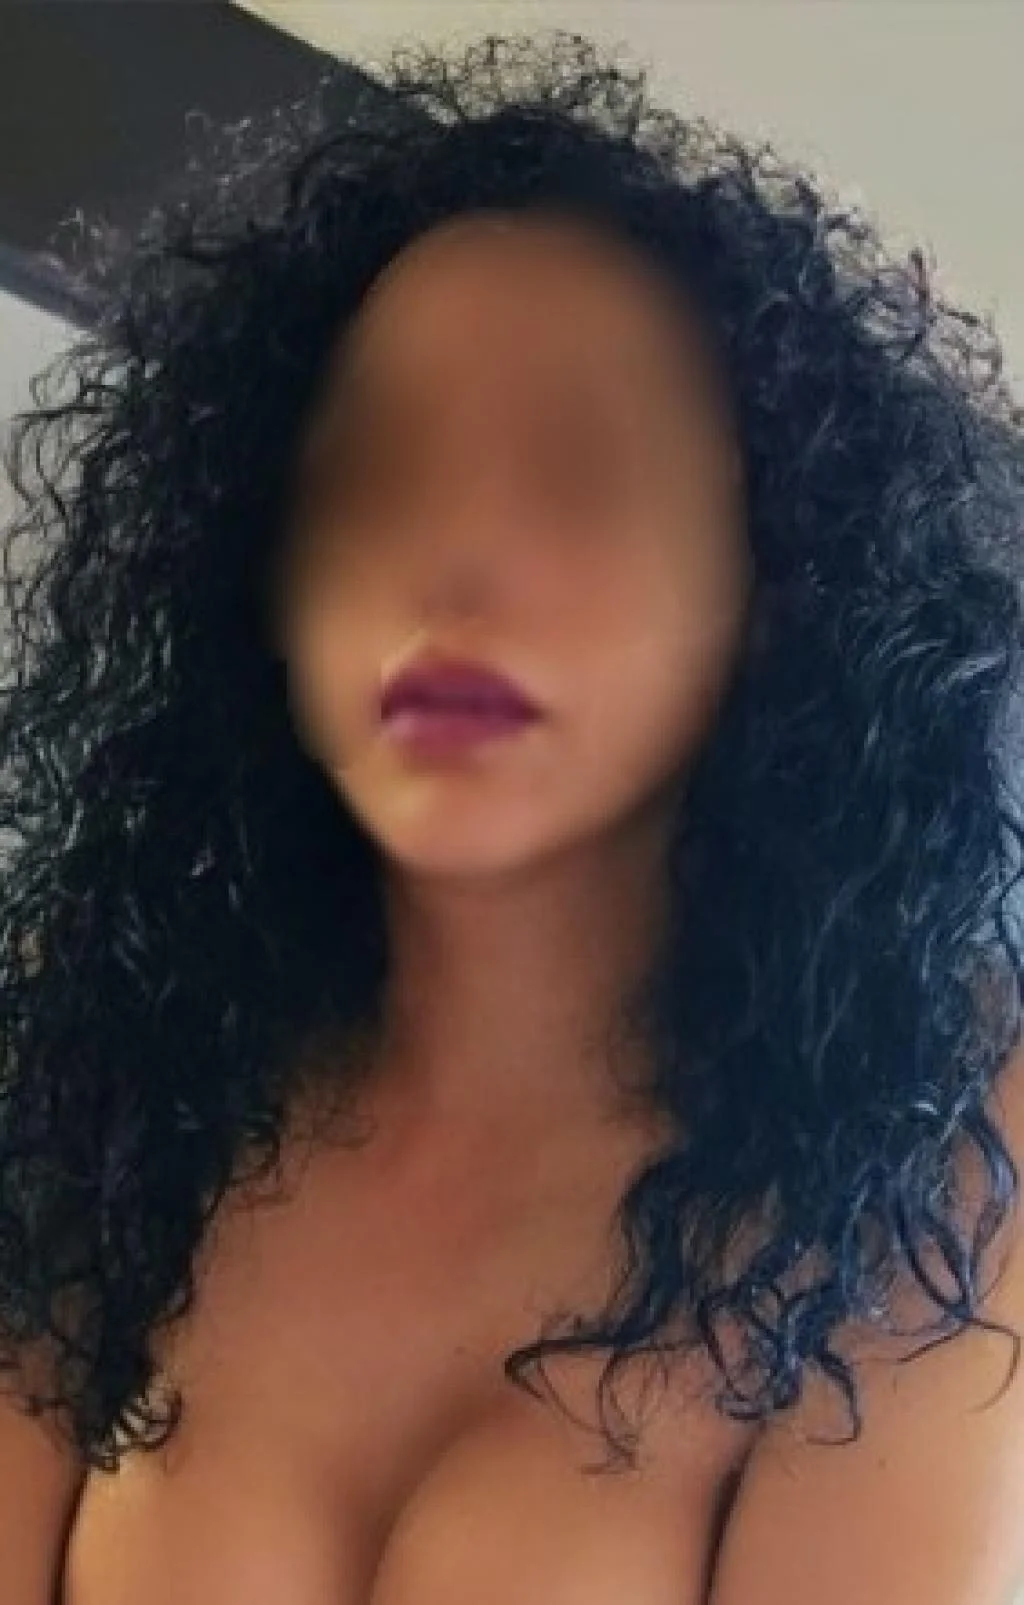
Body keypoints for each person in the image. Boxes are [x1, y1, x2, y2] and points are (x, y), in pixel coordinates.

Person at [2, 29, 1024, 1605]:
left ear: (769, 584)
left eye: (579, 465)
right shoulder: (121, 1057)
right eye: (373, 476)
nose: (453, 566)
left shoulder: (937, 1123)